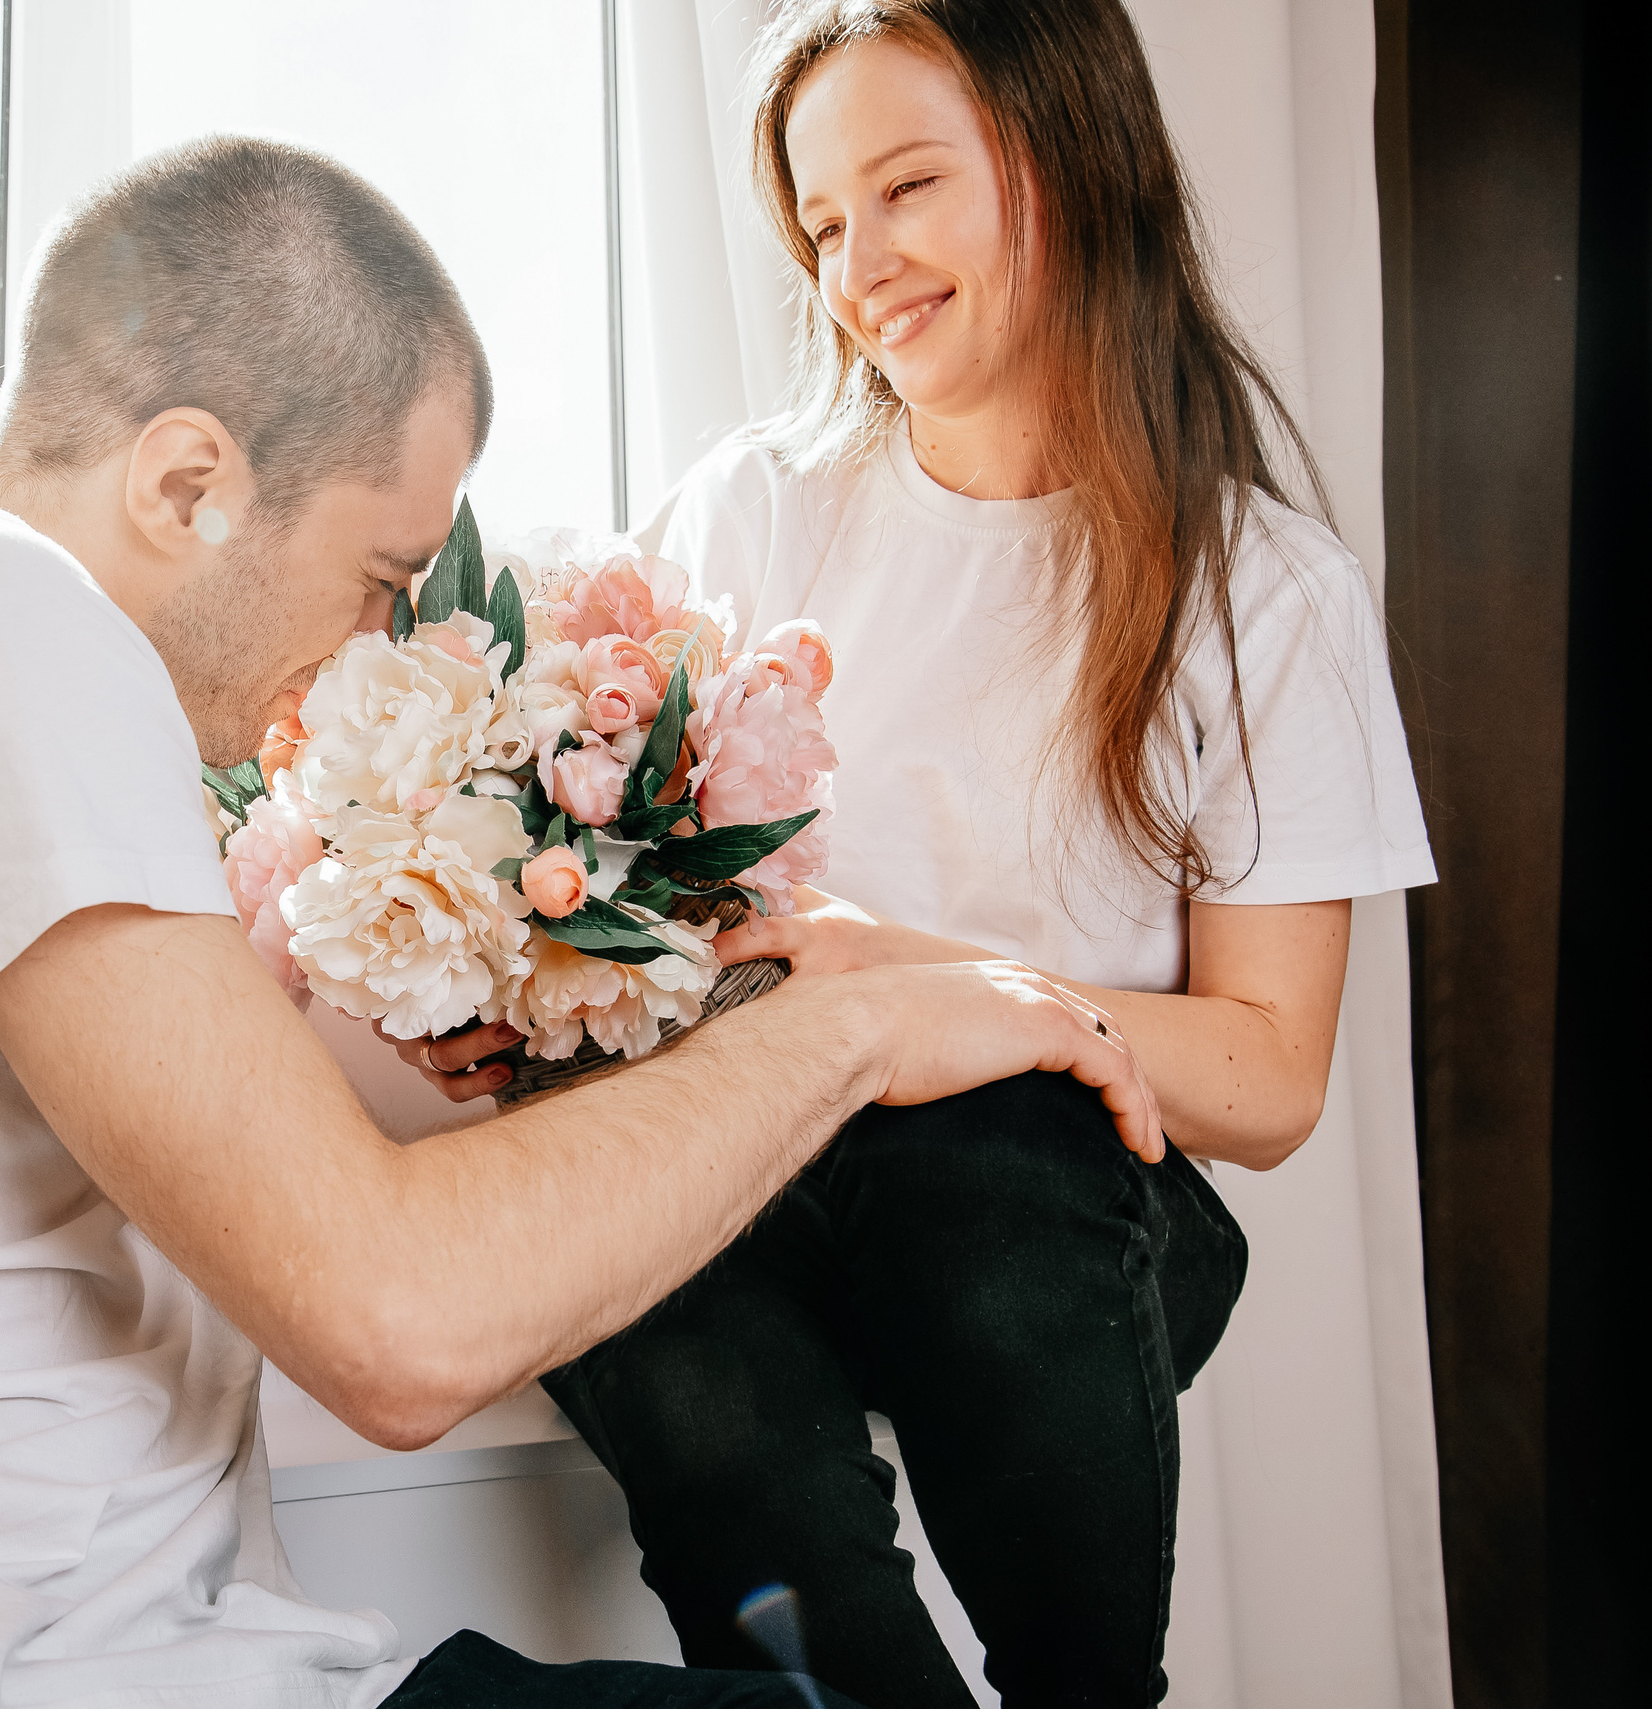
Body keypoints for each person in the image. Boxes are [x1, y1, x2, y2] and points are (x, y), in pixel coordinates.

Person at [0, 136, 1158, 1709]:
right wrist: (855, 1026)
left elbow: (294, 1180)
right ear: (188, 486)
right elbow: (398, 1327)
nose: (366, 657)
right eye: (381, 584)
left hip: (80, 1651)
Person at [396, 4, 1434, 1706]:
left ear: (1065, 162)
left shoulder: (1264, 595)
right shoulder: (753, 511)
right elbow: (628, 875)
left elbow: (1267, 1073)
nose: (857, 264)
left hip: (1070, 1221)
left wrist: (935, 992)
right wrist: (514, 977)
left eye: (907, 188)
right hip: (767, 1172)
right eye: (819, 223)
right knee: (610, 1239)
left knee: (991, 1137)